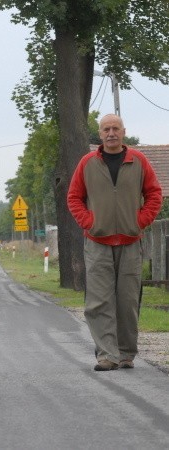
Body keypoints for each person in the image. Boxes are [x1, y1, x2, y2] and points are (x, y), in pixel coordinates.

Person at [67, 114, 162, 371]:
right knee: (99, 300)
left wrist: (140, 221)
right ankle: (107, 355)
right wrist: (89, 222)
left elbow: (154, 194)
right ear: (100, 133)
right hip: (97, 241)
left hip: (131, 241)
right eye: (106, 129)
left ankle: (126, 353)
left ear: (123, 132)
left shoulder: (138, 161)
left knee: (127, 299)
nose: (111, 133)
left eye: (115, 129)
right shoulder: (87, 163)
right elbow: (74, 197)